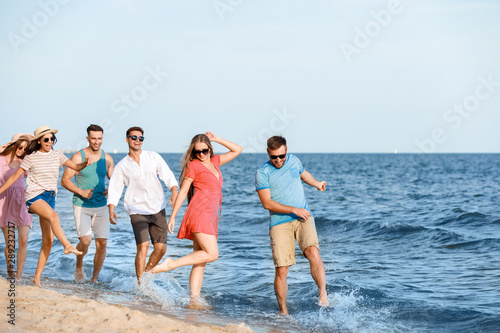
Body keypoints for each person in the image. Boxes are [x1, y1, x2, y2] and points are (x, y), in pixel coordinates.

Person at [152, 132, 242, 309]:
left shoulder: (215, 162)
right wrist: (173, 217)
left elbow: (238, 149)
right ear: (193, 153)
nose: (201, 154)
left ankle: (194, 300)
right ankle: (172, 264)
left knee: (200, 261)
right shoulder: (193, 165)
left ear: (210, 149)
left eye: (204, 150)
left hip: (211, 216)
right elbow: (184, 191)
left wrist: (217, 139)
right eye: (197, 151)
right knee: (213, 254)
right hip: (199, 213)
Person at [0, 125, 88, 287]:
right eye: (46, 139)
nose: (49, 141)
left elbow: (75, 167)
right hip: (34, 197)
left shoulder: (57, 155)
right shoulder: (31, 157)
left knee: (48, 240)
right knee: (54, 217)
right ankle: (67, 245)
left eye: (52, 139)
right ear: (39, 141)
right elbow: (14, 178)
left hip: (50, 197)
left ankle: (36, 278)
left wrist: (84, 164)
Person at [255, 136, 328, 315]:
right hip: (280, 223)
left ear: (286, 150)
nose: (278, 160)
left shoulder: (294, 160)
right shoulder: (262, 172)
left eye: (281, 156)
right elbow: (267, 203)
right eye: (274, 157)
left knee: (313, 251)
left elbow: (304, 174)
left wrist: (317, 183)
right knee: (282, 268)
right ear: (268, 153)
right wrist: (293, 210)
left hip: (303, 217)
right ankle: (283, 311)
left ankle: (323, 294)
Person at [107, 126, 178, 284]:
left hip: (158, 208)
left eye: (141, 138)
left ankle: (145, 275)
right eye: (134, 137)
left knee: (161, 249)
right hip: (137, 210)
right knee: (143, 246)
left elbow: (168, 175)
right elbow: (115, 188)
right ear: (127, 140)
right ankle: (141, 284)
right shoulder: (122, 166)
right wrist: (111, 208)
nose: (137, 140)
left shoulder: (153, 157)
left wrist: (173, 190)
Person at [61, 124, 114, 282]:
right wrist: (81, 191)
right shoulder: (78, 157)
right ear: (88, 139)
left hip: (101, 206)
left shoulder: (108, 159)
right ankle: (79, 265)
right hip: (82, 205)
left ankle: (94, 278)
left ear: (102, 138)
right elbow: (64, 180)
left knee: (102, 244)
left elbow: (115, 181)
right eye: (93, 138)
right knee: (85, 241)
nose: (96, 141)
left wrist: (111, 190)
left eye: (99, 138)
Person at [0, 133, 33, 281]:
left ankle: (18, 277)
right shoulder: (1, 160)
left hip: (21, 203)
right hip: (4, 202)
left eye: (25, 149)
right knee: (10, 243)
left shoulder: (24, 162)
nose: (21, 151)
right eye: (19, 147)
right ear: (13, 145)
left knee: (24, 241)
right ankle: (10, 271)